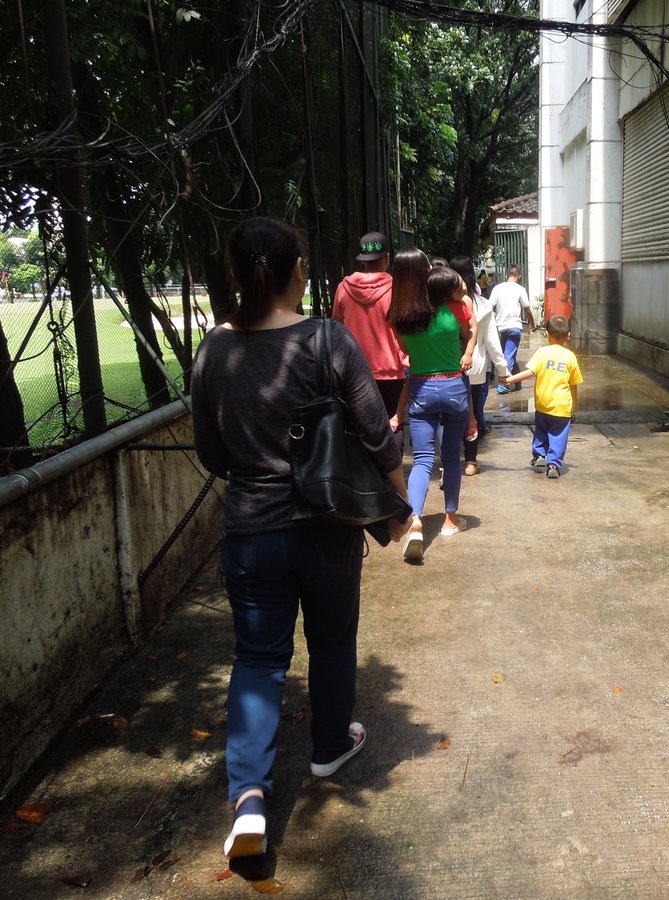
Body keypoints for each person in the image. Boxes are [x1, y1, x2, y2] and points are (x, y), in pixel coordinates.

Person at [192, 217, 410, 859]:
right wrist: (397, 500)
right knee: (333, 639)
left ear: (234, 275)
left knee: (258, 659)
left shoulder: (213, 351)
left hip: (252, 532)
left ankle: (250, 805)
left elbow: (211, 453)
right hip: (326, 527)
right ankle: (328, 747)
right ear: (297, 272)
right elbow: (376, 431)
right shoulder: (327, 341)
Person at [388, 251, 475, 561]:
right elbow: (468, 336)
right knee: (451, 457)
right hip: (453, 386)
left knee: (423, 459)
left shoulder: (400, 316)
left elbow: (405, 352)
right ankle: (451, 519)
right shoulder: (454, 309)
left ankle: (415, 522)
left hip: (422, 388)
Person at [332, 231, 408, 452]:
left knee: (357, 428)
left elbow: (336, 327)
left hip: (352, 371)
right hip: (390, 371)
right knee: (393, 423)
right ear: (386, 258)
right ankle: (393, 482)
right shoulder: (397, 289)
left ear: (362, 261)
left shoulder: (343, 288)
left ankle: (362, 482)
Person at [502, 314, 582, 479]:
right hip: (562, 407)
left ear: (547, 335)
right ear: (568, 336)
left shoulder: (542, 352)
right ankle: (553, 464)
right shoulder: (570, 357)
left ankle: (539, 456)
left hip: (542, 404)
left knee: (541, 431)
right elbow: (574, 384)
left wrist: (510, 379)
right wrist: (574, 404)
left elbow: (529, 372)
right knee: (559, 435)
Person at [450, 254, 508, 475]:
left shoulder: (445, 305)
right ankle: (471, 461)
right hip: (475, 367)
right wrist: (503, 370)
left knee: (452, 415)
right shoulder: (483, 304)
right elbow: (492, 342)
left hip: (450, 367)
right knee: (472, 414)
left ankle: (450, 460)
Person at [492, 264, 535, 393]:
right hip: (515, 327)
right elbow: (527, 309)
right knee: (510, 356)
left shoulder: (497, 288)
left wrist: (499, 312)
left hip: (500, 327)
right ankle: (514, 382)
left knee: (508, 355)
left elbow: (490, 306)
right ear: (519, 276)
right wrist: (533, 324)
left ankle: (505, 383)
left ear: (507, 275)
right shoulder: (520, 289)